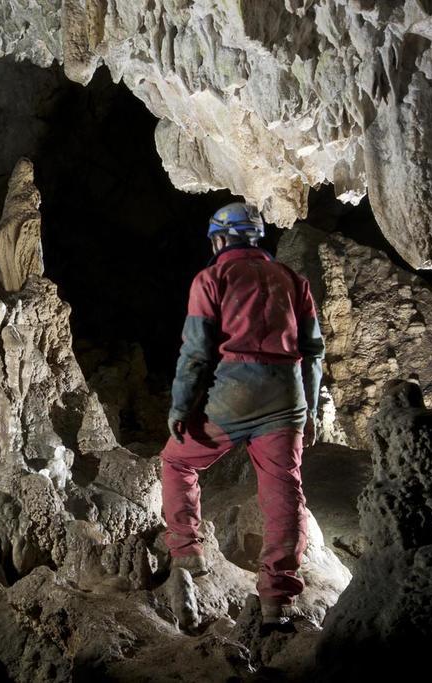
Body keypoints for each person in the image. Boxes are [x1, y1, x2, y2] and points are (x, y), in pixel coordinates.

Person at [160, 201, 325, 633]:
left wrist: (181, 407)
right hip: (285, 397)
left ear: (219, 240)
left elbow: (195, 352)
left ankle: (187, 550)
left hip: (234, 394)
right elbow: (312, 354)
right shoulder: (293, 280)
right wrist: (306, 409)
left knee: (177, 461)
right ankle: (278, 600)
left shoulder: (212, 278)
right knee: (284, 493)